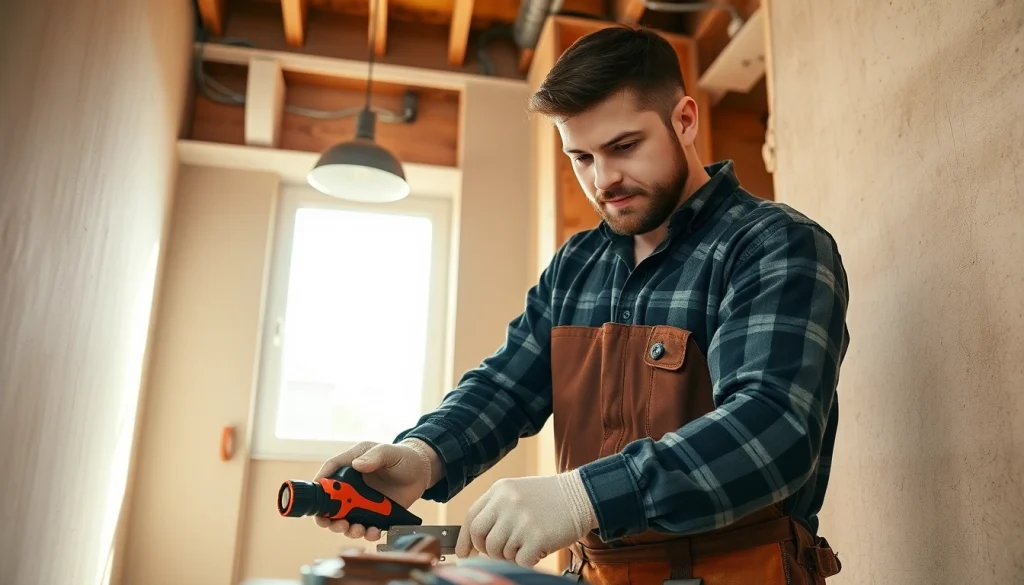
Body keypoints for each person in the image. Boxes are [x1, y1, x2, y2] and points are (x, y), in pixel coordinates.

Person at [314, 25, 849, 585]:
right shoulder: (577, 264)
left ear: (685, 120)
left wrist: (583, 496)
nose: (604, 180)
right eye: (581, 157)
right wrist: (424, 456)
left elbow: (773, 429)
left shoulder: (774, 244)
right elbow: (506, 386)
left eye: (624, 147)